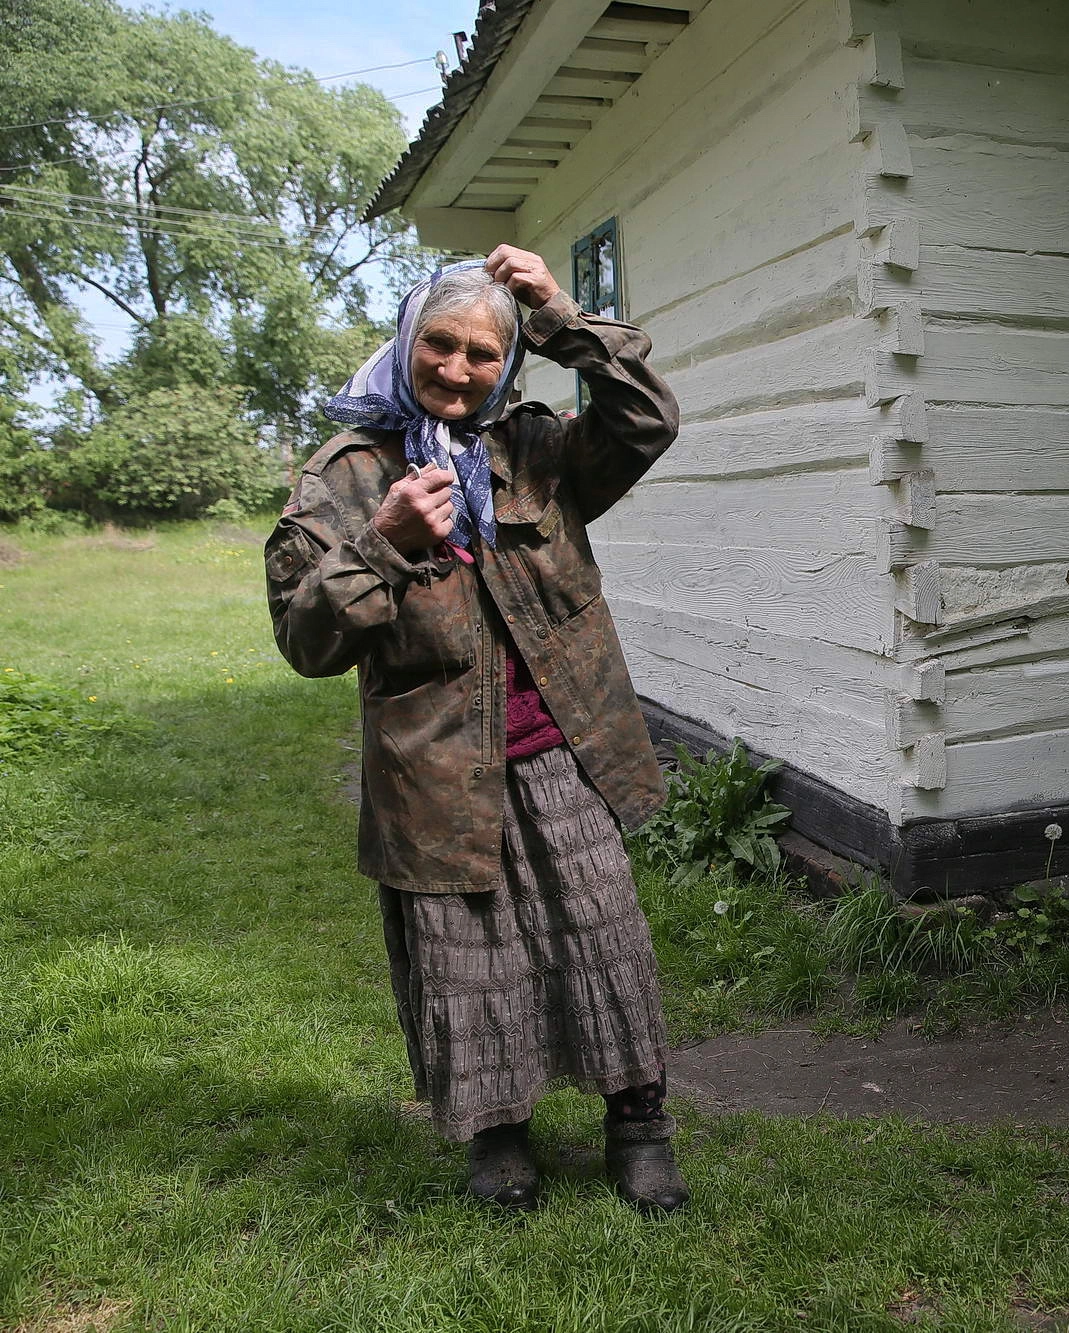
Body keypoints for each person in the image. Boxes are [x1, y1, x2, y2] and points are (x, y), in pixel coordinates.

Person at [264, 245, 685, 1214]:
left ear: (508, 361)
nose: (457, 370)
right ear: (408, 341)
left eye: (483, 353)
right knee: (469, 964)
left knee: (602, 937)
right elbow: (305, 640)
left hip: (562, 748)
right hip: (434, 769)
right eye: (440, 346)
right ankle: (498, 1142)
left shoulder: (537, 446)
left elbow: (648, 417)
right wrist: (383, 544)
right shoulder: (344, 477)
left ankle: (640, 1126)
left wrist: (556, 311)